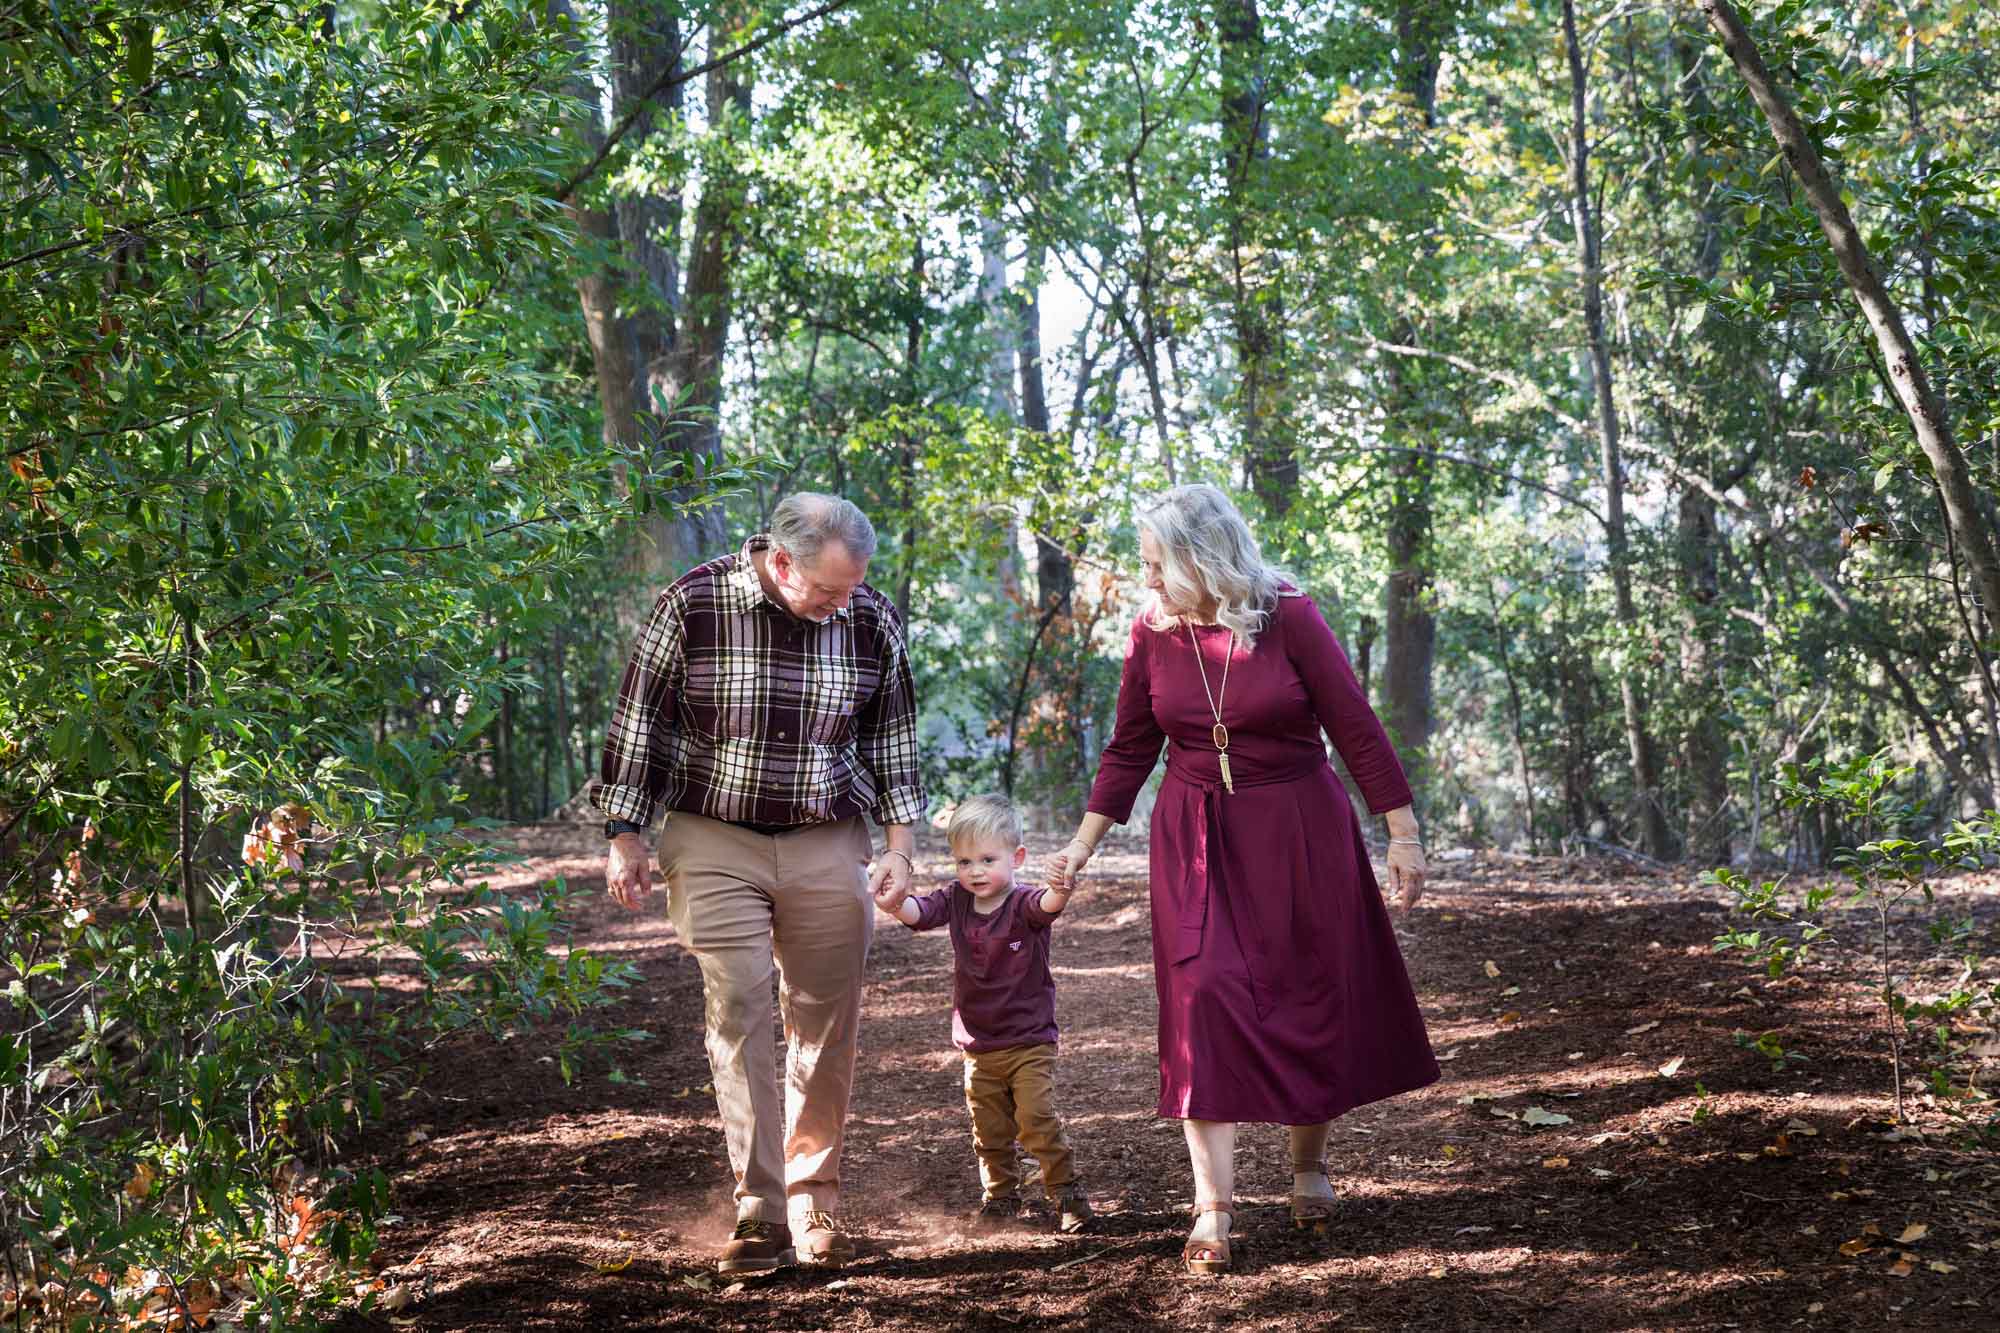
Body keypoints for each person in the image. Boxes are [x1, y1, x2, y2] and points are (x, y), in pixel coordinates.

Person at [1046, 483, 1439, 1276]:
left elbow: (1354, 725)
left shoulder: (1289, 614)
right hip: (1195, 834)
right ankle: (1213, 1207)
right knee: (1203, 997)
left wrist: (1402, 831)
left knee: (1308, 986)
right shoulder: (1152, 632)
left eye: (1159, 564)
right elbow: (1129, 748)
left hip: (1298, 827)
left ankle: (1307, 1164)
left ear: (1203, 557)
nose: (1147, 580)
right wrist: (1081, 846)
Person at [593, 493, 924, 1275]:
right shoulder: (693, 603)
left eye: (853, 588)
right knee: (739, 1006)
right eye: (829, 589)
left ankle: (815, 1196)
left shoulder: (870, 618)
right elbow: (639, 721)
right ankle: (760, 1208)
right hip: (713, 835)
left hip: (824, 835)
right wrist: (624, 835)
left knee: (824, 1017)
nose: (845, 602)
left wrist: (901, 845)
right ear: (781, 562)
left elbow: (894, 733)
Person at [876, 794, 1095, 1235]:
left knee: (1036, 1119)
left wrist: (1062, 887)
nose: (975, 871)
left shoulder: (1023, 904)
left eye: (987, 859)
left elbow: (1047, 906)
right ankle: (1000, 1196)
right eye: (964, 861)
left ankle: (1066, 1192)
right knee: (990, 1128)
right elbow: (919, 915)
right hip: (978, 1044)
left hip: (1029, 1040)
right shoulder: (956, 899)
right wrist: (894, 902)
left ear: (1016, 858)